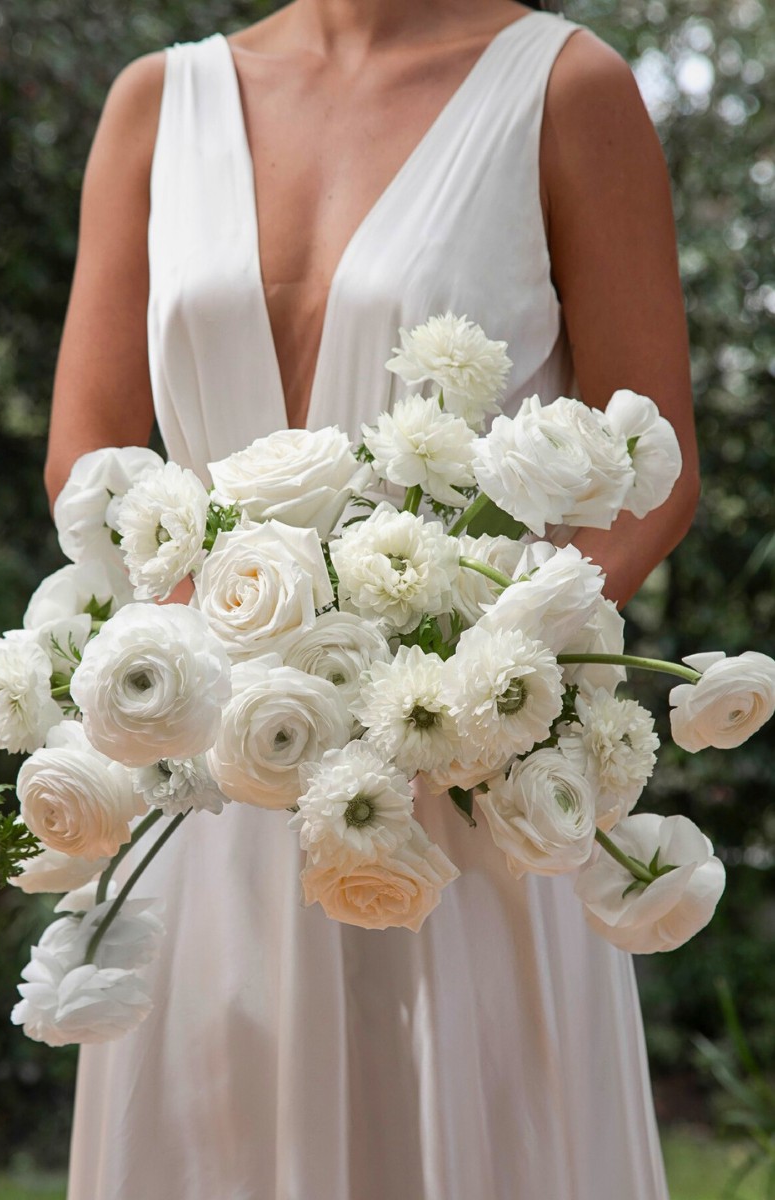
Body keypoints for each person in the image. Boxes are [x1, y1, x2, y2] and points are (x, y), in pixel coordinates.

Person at [46, 2, 698, 1196]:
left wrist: (485, 675)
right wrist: (239, 676)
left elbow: (651, 466)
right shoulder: (158, 101)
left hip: (461, 778)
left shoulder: (566, 89)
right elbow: (87, 455)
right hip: (209, 778)